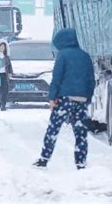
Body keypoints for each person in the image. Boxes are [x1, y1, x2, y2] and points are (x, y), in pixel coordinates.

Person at [32, 28, 95, 170]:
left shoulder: (63, 55)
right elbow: (91, 79)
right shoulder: (85, 56)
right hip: (81, 99)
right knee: (80, 133)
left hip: (64, 99)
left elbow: (57, 78)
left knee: (53, 129)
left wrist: (52, 97)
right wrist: (88, 98)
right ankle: (81, 162)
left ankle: (44, 159)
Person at [0, 39, 13, 111]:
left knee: (5, 90)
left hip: (4, 75)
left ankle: (3, 105)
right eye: (1, 47)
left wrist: (10, 73)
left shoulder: (6, 57)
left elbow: (9, 66)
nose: (2, 48)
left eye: (3, 47)